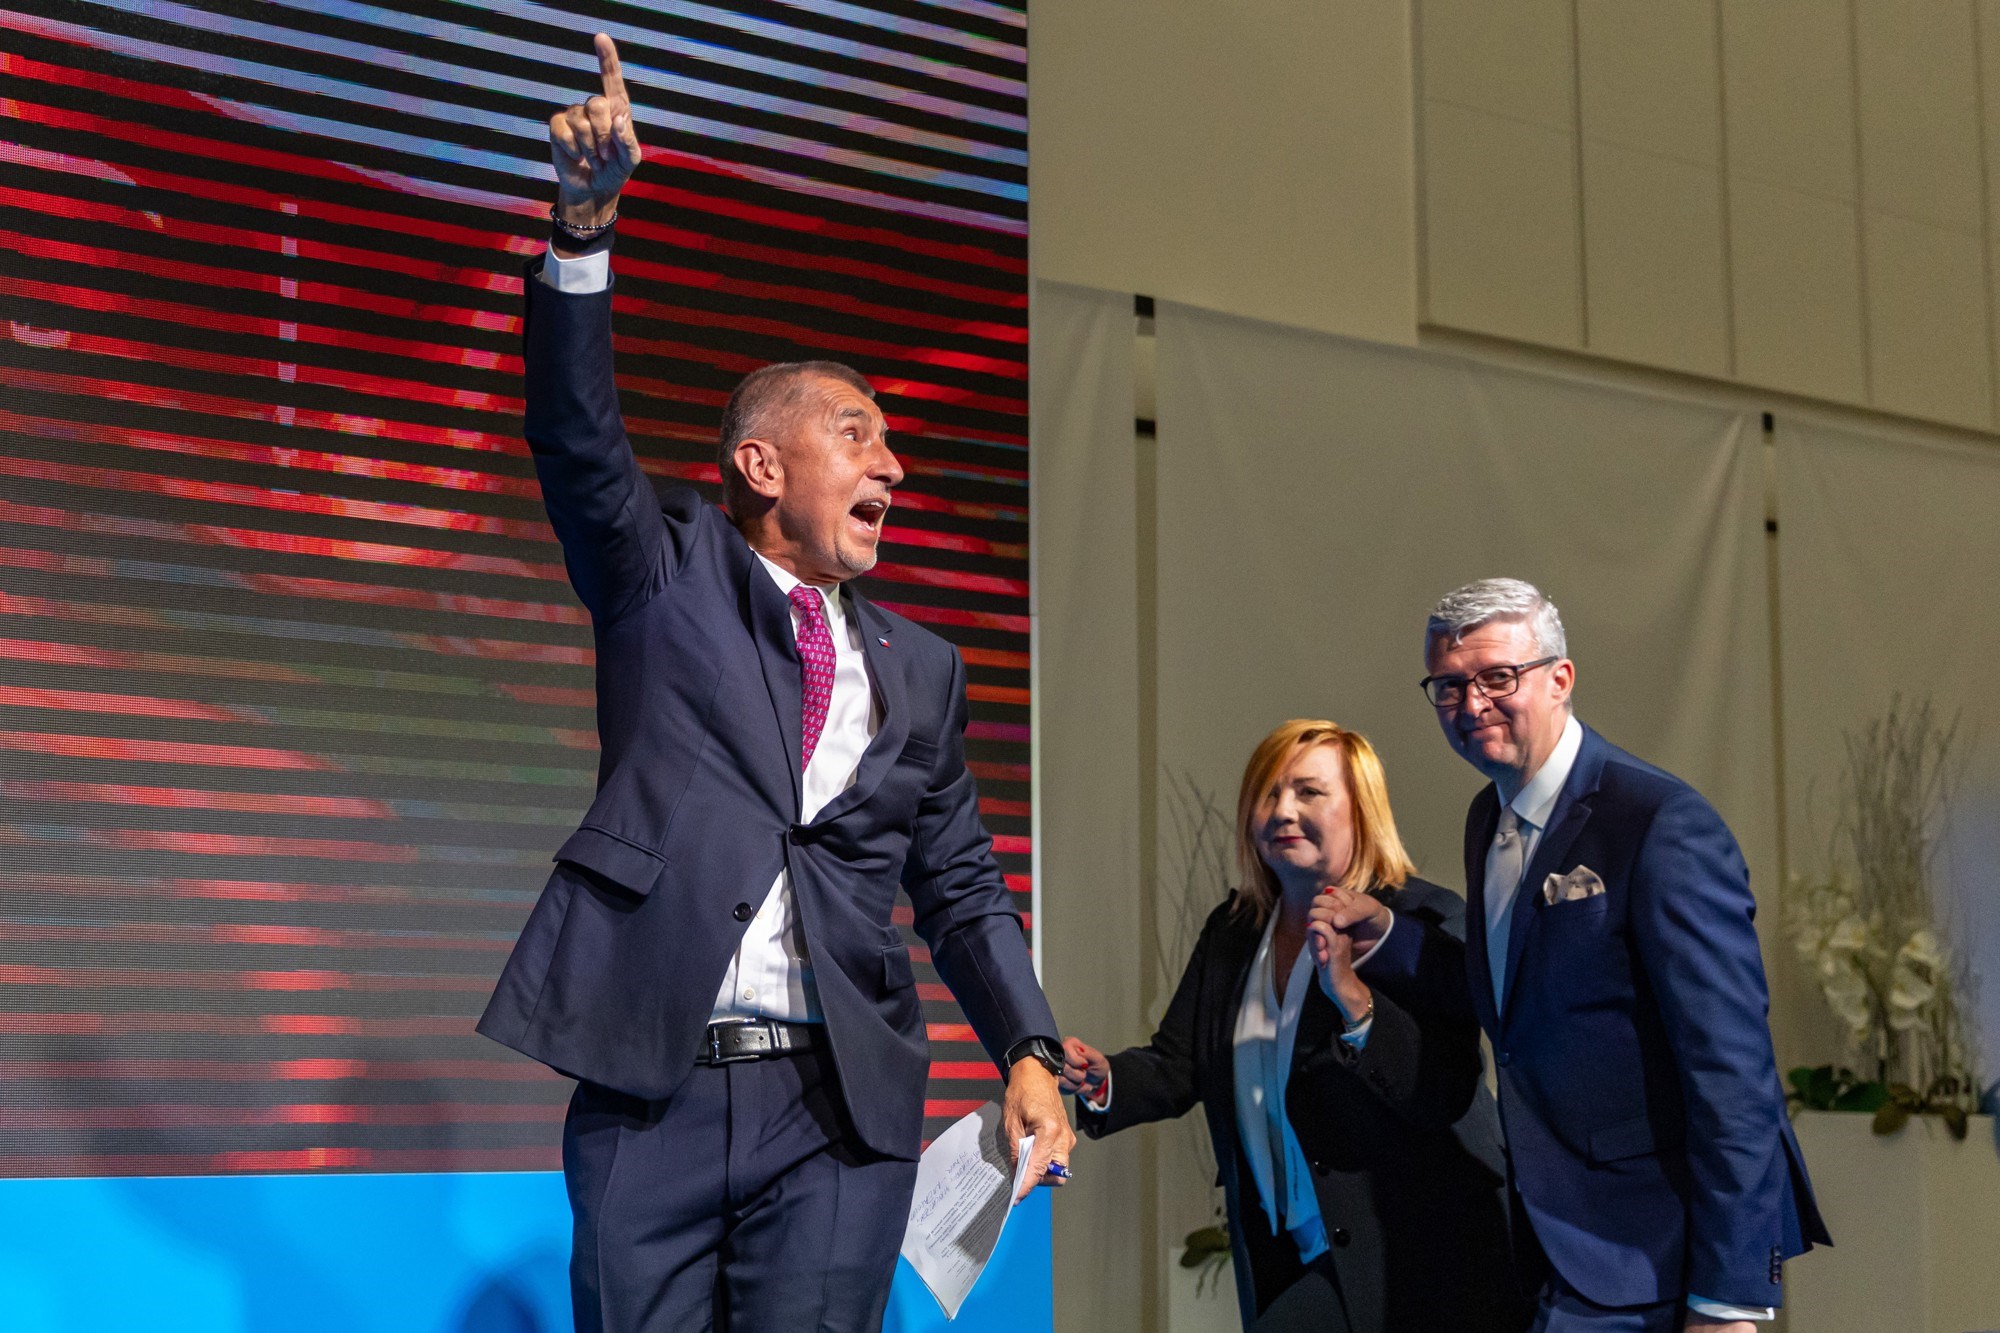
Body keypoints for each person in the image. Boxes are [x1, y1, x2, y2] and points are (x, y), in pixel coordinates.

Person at [475, 36, 1075, 1332]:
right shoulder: (665, 572)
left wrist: (1029, 1046)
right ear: (760, 465)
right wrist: (581, 233)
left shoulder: (924, 669)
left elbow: (961, 885)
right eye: (858, 434)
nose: (893, 466)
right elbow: (576, 438)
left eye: (891, 444)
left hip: (836, 1110)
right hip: (654, 1088)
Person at [1319, 578, 1829, 1332]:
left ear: (1560, 678)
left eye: (1498, 677)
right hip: (1547, 1250)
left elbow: (1733, 1074)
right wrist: (1392, 940)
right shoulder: (1487, 816)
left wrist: (1727, 1300)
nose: (1472, 704)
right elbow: (1525, 996)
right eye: (1449, 685)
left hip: (1657, 1258)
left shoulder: (1659, 822)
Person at [1061, 720, 1524, 1332]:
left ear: (1361, 810)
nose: (1283, 810)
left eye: (1309, 792)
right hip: (1287, 1253)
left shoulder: (1420, 920)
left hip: (1423, 1256)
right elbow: (1179, 1063)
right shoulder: (1233, 930)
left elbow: (1441, 1090)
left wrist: (1354, 1000)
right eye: (1268, 792)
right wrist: (1104, 1080)